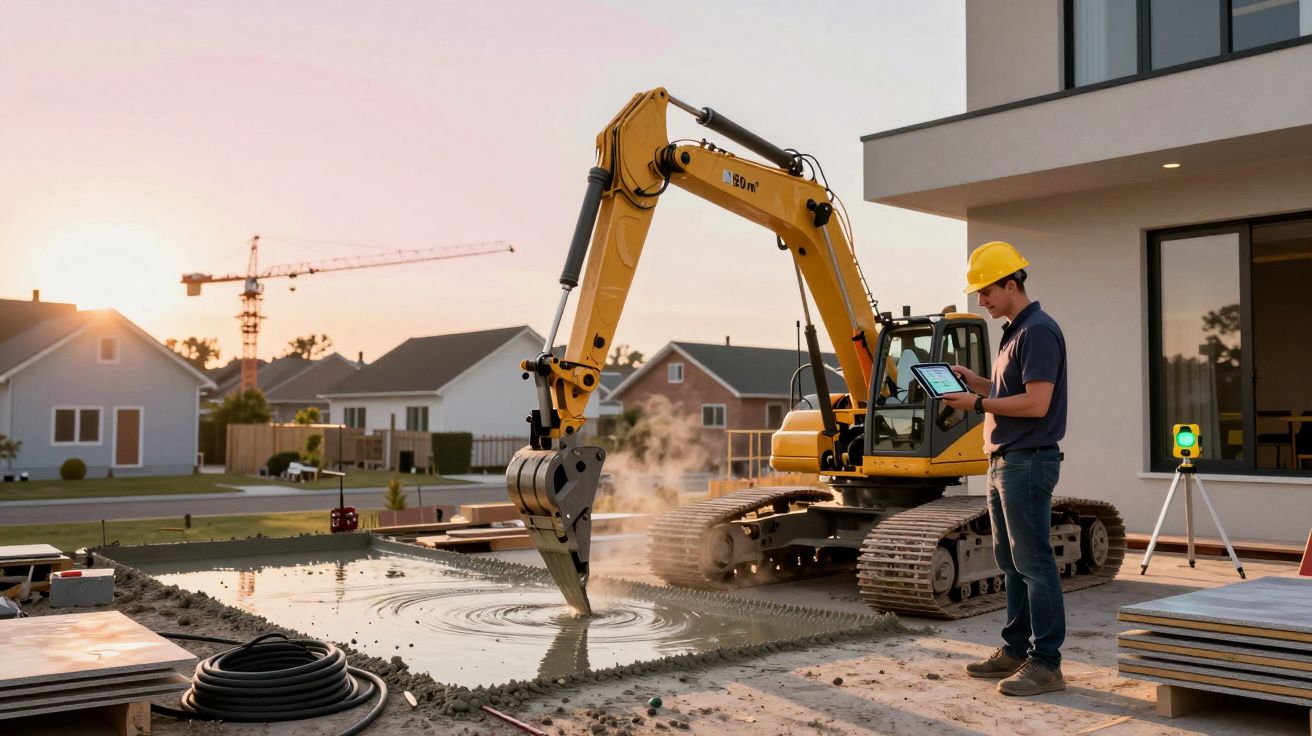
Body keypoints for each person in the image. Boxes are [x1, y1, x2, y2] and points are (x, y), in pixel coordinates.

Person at [939, 241, 1069, 697]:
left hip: (1027, 461)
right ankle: (1015, 650)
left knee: (1034, 563)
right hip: (1005, 459)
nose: (981, 300)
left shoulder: (1038, 332)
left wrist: (976, 402)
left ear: (1011, 284)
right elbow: (1015, 390)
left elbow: (1037, 402)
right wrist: (979, 383)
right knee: (1011, 562)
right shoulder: (1014, 331)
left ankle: (1047, 663)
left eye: (986, 290)